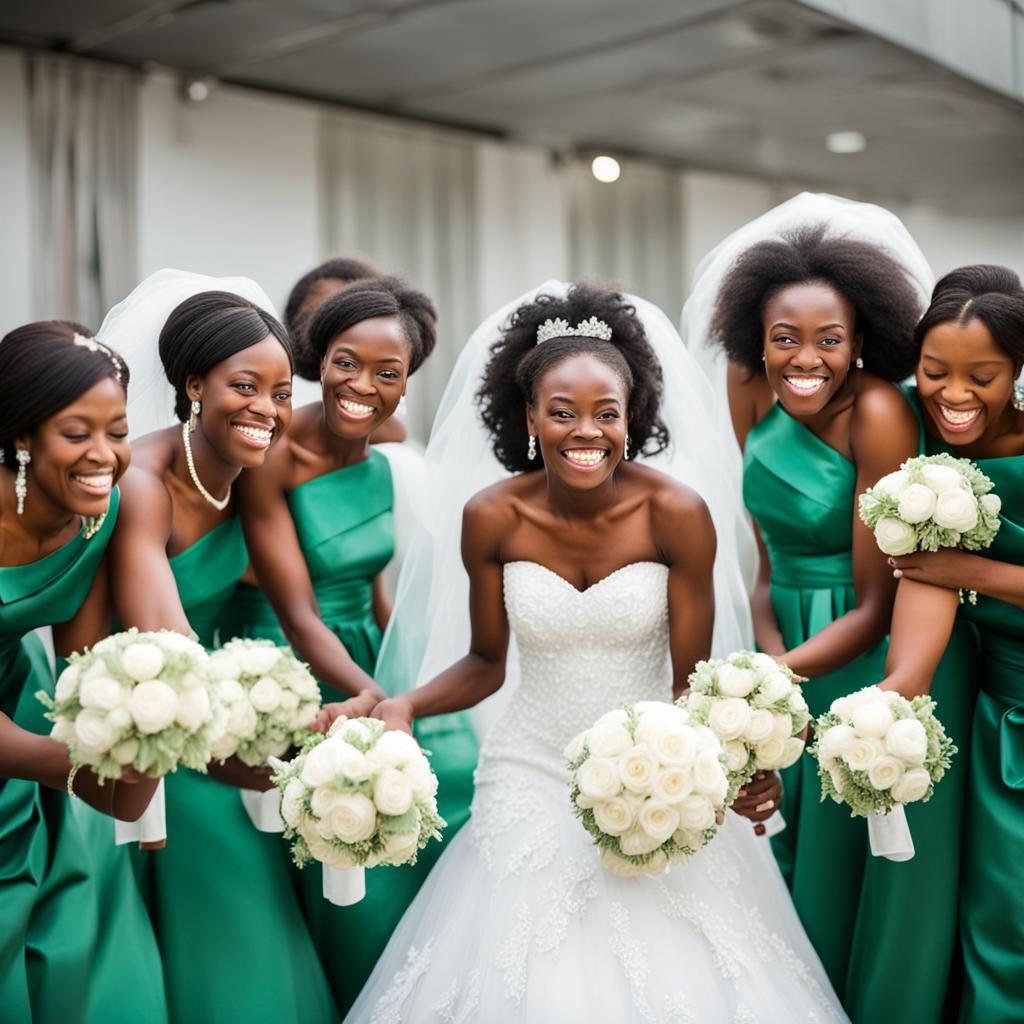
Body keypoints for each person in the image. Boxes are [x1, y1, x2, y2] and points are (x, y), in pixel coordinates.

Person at [339, 283, 845, 1023]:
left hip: (657, 771)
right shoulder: (492, 516)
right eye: (563, 412)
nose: (586, 432)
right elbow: (485, 663)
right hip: (528, 768)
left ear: (631, 417)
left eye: (607, 413)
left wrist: (727, 769)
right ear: (530, 418)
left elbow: (692, 683)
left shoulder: (675, 514)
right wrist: (406, 703)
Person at [227, 277, 478, 1012]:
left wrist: (396, 680)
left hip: (366, 656)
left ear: (408, 383)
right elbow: (299, 612)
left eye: (386, 373)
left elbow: (372, 586)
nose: (362, 385)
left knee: (437, 802)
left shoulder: (389, 447)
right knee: (338, 839)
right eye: (345, 362)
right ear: (317, 358)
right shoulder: (273, 456)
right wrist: (365, 695)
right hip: (292, 661)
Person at [98, 271, 337, 1024]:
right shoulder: (140, 482)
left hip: (207, 725)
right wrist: (262, 750)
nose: (268, 408)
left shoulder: (246, 476)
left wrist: (358, 708)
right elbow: (169, 650)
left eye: (281, 392)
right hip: (142, 724)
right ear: (193, 384)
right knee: (236, 901)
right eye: (246, 386)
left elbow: (299, 613)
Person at [0, 321, 166, 1023]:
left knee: (78, 931)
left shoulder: (98, 512)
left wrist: (139, 741)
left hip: (22, 701)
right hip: (18, 742)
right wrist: (73, 764)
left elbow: (84, 665)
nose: (106, 456)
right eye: (78, 433)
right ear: (22, 437)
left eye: (119, 431)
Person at [880, 265, 1024, 1024]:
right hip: (990, 702)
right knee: (988, 912)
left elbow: (948, 570)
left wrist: (973, 570)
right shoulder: (913, 427)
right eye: (936, 372)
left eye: (984, 376)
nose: (955, 395)